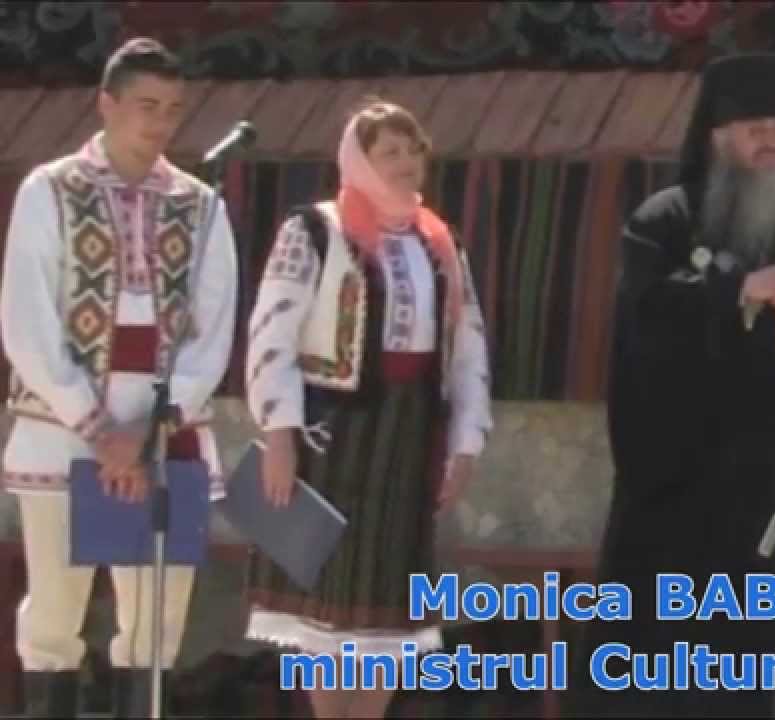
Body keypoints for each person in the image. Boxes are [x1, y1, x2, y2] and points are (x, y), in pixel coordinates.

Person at [581, 53, 775, 719]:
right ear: (717, 136)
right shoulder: (664, 222)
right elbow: (643, 324)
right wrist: (739, 289)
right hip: (688, 499)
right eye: (755, 129)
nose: (772, 141)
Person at [0, 37, 239, 717]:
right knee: (55, 613)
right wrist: (98, 426)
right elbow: (26, 317)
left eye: (172, 109)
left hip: (164, 438)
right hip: (63, 431)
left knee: (156, 619)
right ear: (106, 104)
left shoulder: (201, 204)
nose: (160, 122)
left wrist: (149, 428)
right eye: (145, 105)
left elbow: (213, 330)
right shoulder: (49, 190)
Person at [242, 98, 492, 719]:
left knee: (387, 607)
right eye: (390, 153)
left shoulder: (440, 243)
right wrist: (278, 432)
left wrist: (466, 443)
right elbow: (271, 333)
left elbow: (468, 346)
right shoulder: (315, 231)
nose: (406, 163)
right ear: (359, 160)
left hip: (408, 437)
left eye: (413, 150)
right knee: (329, 606)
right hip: (330, 436)